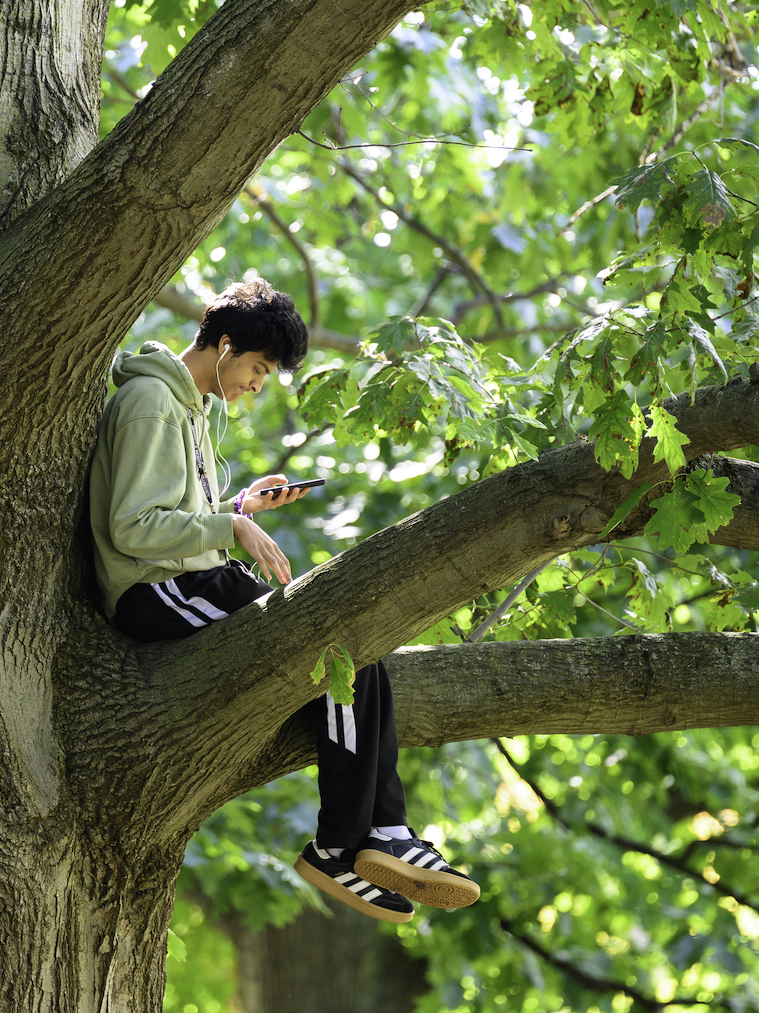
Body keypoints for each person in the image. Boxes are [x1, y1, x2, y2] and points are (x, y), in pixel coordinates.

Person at [87, 277, 480, 923]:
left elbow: (174, 515)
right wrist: (231, 527)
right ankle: (340, 845)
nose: (257, 384)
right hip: (153, 592)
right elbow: (133, 526)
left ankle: (382, 834)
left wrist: (237, 506)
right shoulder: (151, 403)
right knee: (330, 644)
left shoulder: (191, 409)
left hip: (187, 578)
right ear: (224, 344)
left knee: (353, 647)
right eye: (258, 368)